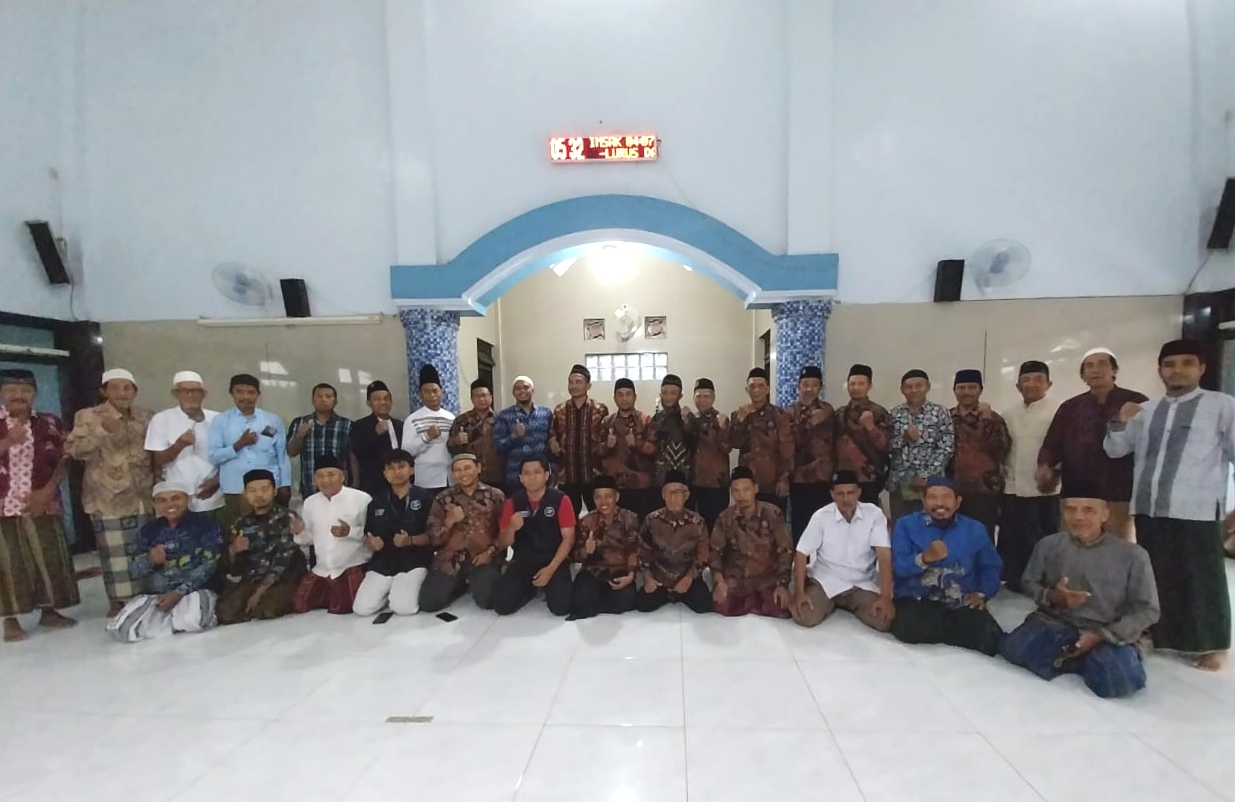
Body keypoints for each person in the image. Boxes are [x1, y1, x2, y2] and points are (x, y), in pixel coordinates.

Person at [1104, 338, 1235, 671]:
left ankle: (1212, 643)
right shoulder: (1147, 410)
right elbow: (1115, 450)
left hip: (1197, 508)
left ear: (1202, 367)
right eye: (1169, 364)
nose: (1177, 370)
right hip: (1149, 506)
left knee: (1202, 577)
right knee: (1157, 575)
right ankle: (1160, 634)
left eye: (1187, 363)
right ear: (1160, 370)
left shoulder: (1221, 405)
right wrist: (1120, 420)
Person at [1000, 480, 1159, 698]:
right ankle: (1081, 655)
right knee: (1014, 650)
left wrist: (1102, 635)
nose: (1078, 517)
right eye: (1070, 509)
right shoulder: (1048, 545)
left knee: (1119, 681)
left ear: (1105, 514)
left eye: (1088, 510)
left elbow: (1149, 610)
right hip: (1059, 622)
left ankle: (1079, 654)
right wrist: (1054, 596)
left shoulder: (1133, 555)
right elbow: (1028, 582)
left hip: (1107, 630)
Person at [66, 367, 154, 617]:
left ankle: (143, 598)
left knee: (143, 548)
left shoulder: (145, 416)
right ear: (104, 391)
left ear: (134, 391)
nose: (122, 393)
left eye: (127, 388)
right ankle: (118, 602)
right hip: (107, 496)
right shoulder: (88, 416)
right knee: (115, 553)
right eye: (115, 388)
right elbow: (75, 451)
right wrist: (102, 430)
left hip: (142, 494)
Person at [0, 369, 78, 642]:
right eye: (11, 390)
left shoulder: (49, 422)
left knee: (49, 557)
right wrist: (8, 442)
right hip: (2, 505)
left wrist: (47, 491)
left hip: (44, 502)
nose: (18, 396)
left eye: (25, 391)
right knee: (8, 563)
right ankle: (10, 619)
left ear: (34, 394)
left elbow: (66, 458)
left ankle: (49, 611)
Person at [1038, 347, 1148, 542]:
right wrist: (1045, 467)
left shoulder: (1135, 402)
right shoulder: (1070, 407)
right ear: (1083, 375)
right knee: (1074, 550)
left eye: (1102, 364)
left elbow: (1148, 446)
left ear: (1114, 370)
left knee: (1116, 550)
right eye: (1089, 366)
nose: (1095, 370)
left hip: (1119, 496)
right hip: (1076, 495)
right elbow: (1052, 444)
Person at [889, 477, 1003, 655]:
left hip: (960, 600)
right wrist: (924, 558)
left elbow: (991, 566)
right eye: (933, 497)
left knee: (990, 638)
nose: (939, 503)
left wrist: (981, 593)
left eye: (946, 497)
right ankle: (955, 629)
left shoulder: (975, 529)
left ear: (958, 502)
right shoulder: (906, 525)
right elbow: (897, 567)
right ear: (923, 501)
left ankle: (951, 626)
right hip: (918, 599)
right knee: (909, 628)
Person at [108, 483, 222, 642]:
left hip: (196, 590)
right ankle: (169, 621)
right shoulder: (149, 530)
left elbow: (210, 565)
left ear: (188, 499)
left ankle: (162, 622)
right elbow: (135, 570)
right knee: (124, 630)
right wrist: (150, 560)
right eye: (162, 500)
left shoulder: (205, 525)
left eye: (176, 498)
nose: (170, 504)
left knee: (193, 620)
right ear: (154, 504)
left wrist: (178, 593)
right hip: (158, 594)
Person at [790, 470, 894, 631]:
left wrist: (886, 597)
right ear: (832, 494)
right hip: (826, 581)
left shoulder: (874, 514)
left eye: (850, 493)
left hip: (861, 583)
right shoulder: (821, 516)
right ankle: (827, 602)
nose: (846, 499)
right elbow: (801, 553)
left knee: (884, 620)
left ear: (859, 492)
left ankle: (848, 604)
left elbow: (884, 554)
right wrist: (799, 593)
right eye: (840, 494)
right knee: (804, 615)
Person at [1000, 360, 1061, 592]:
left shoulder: (1058, 411)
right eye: (1026, 380)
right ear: (1018, 385)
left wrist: (1055, 471)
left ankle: (1044, 584)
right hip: (1013, 486)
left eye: (1038, 379)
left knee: (1043, 538)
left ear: (1049, 384)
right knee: (1015, 537)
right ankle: (1016, 581)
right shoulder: (1009, 413)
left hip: (1045, 488)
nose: (1031, 384)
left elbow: (1065, 446)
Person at [216, 469, 306, 624]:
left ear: (274, 491)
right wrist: (233, 551)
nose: (259, 495)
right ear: (245, 494)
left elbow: (284, 559)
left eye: (264, 489)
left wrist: (259, 592)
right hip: (253, 578)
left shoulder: (287, 517)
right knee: (225, 613)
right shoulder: (241, 523)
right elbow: (234, 569)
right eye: (252, 491)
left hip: (284, 578)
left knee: (266, 610)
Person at [418, 453, 506, 612]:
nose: (463, 473)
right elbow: (434, 539)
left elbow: (505, 532)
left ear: (478, 468)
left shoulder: (495, 495)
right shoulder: (442, 498)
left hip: (482, 557)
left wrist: (490, 553)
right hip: (451, 559)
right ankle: (459, 584)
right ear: (452, 473)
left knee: (488, 600)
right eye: (458, 470)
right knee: (429, 603)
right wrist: (449, 521)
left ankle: (476, 580)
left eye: (467, 468)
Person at [353, 450, 435, 616]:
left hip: (414, 561)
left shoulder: (425, 497)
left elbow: (434, 536)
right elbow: (368, 534)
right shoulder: (376, 501)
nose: (396, 472)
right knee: (361, 609)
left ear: (411, 470)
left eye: (401, 466)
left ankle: (399, 590)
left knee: (404, 608)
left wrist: (410, 540)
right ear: (384, 473)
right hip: (383, 561)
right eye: (390, 468)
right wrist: (372, 543)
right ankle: (389, 591)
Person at [491, 458, 576, 616]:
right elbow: (503, 543)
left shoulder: (561, 500)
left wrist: (550, 570)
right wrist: (511, 528)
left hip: (554, 559)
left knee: (561, 607)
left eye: (537, 472)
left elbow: (568, 539)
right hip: (523, 560)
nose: (532, 477)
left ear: (546, 475)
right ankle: (530, 589)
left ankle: (547, 583)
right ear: (520, 478)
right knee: (502, 606)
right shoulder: (513, 503)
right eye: (527, 473)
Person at [208, 374, 292, 531]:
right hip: (236, 488)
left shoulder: (272, 420)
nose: (246, 397)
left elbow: (282, 455)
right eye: (240, 392)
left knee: (274, 532)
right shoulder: (221, 421)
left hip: (268, 489)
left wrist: (285, 484)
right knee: (240, 533)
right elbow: (214, 456)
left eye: (251, 392)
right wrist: (239, 444)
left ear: (258, 394)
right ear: (231, 393)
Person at [290, 454, 372, 614]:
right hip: (322, 568)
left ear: (342, 477)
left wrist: (349, 532)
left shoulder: (361, 499)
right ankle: (331, 593)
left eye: (331, 475)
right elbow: (310, 539)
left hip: (351, 565)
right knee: (300, 605)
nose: (326, 480)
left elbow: (371, 534)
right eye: (320, 476)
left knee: (342, 608)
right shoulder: (310, 503)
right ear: (314, 480)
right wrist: (300, 532)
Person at [709, 466, 794, 617]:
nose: (741, 495)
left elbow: (785, 550)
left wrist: (782, 585)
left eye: (746, 490)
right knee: (722, 605)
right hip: (736, 580)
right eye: (736, 491)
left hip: (767, 579)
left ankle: (751, 603)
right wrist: (719, 581)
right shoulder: (725, 518)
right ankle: (752, 603)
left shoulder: (773, 514)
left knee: (779, 606)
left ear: (755, 488)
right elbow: (715, 552)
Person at [145, 370, 223, 521]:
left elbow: (231, 456)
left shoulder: (218, 419)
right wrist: (180, 444)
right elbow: (157, 461)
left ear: (204, 394)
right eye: (184, 391)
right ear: (175, 394)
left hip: (213, 496)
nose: (190, 395)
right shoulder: (161, 419)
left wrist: (218, 480)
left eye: (195, 391)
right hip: (175, 500)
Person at [636, 470, 713, 614]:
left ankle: (679, 593)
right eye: (669, 493)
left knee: (704, 605)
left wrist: (689, 577)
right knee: (642, 604)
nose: (673, 497)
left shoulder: (698, 522)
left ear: (686, 495)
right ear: (663, 495)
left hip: (687, 576)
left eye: (678, 493)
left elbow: (703, 556)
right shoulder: (651, 520)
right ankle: (669, 594)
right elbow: (642, 551)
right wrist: (648, 577)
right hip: (660, 577)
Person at [949, 369, 1011, 540]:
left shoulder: (993, 418)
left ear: (980, 390)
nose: (966, 392)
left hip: (984, 490)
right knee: (953, 537)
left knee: (981, 536)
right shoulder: (946, 417)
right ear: (954, 390)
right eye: (961, 388)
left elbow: (1002, 449)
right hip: (951, 489)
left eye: (972, 387)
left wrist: (986, 421)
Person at [568, 474, 640, 620]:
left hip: (619, 570)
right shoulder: (587, 521)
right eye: (598, 497)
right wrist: (586, 550)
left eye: (608, 496)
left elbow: (634, 551)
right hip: (594, 572)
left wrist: (630, 576)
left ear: (616, 497)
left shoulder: (630, 519)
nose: (603, 502)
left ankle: (595, 604)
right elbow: (574, 556)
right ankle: (594, 602)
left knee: (627, 598)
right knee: (581, 593)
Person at [887, 369, 954, 523]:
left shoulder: (940, 413)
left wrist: (925, 476)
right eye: (909, 387)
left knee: (931, 527)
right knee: (901, 526)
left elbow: (946, 448)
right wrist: (903, 439)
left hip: (931, 485)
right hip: (900, 483)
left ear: (927, 387)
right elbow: (886, 447)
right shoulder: (894, 414)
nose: (914, 390)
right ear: (902, 390)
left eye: (919, 385)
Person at [728, 367, 793, 512]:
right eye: (752, 386)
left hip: (772, 483)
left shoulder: (780, 415)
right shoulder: (738, 414)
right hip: (747, 485)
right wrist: (740, 421)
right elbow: (734, 443)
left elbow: (787, 450)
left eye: (760, 386)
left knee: (773, 521)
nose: (756, 390)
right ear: (747, 390)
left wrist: (783, 478)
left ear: (767, 389)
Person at [785, 365, 836, 545]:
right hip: (799, 479)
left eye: (814, 385)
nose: (809, 389)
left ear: (820, 388)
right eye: (805, 384)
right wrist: (808, 424)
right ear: (798, 386)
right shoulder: (790, 412)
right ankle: (801, 561)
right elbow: (788, 444)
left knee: (825, 525)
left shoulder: (829, 411)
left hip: (824, 478)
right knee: (801, 525)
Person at [549, 364, 609, 515]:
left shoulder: (600, 409)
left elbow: (605, 439)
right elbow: (553, 435)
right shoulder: (560, 410)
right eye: (571, 382)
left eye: (578, 382)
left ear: (588, 385)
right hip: (567, 475)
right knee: (568, 518)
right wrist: (553, 444)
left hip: (593, 474)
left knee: (598, 516)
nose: (574, 386)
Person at [598, 378, 659, 520]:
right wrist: (608, 446)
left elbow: (654, 449)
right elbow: (597, 452)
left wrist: (637, 444)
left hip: (642, 486)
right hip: (615, 487)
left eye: (628, 394)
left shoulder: (646, 419)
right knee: (618, 526)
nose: (624, 398)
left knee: (642, 525)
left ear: (634, 397)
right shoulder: (607, 422)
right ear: (615, 398)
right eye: (620, 394)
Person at [834, 364, 891, 505]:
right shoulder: (840, 413)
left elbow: (885, 446)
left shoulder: (878, 412)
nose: (856, 388)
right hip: (843, 477)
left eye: (861, 384)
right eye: (852, 384)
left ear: (869, 386)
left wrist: (871, 427)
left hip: (868, 477)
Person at [287, 382, 353, 500]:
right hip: (310, 484)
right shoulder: (300, 422)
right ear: (312, 400)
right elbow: (291, 452)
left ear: (335, 401)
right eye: (319, 396)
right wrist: (299, 436)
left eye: (328, 396)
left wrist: (355, 483)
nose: (324, 400)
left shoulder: (347, 425)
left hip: (339, 486)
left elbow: (353, 457)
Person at [493, 375, 552, 495]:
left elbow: (552, 442)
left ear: (532, 390)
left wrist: (553, 468)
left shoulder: (546, 413)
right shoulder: (504, 416)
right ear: (513, 392)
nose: (522, 391)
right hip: (515, 477)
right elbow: (498, 446)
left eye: (526, 387)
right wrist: (513, 436)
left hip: (541, 476)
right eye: (518, 388)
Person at [403, 364, 455, 496]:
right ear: (421, 394)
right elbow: (406, 452)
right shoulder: (412, 420)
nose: (432, 395)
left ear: (441, 392)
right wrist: (427, 436)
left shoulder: (450, 417)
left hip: (450, 478)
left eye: (435, 391)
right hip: (426, 479)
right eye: (427, 392)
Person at [348, 380, 405, 497]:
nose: (383, 402)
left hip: (400, 480)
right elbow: (357, 452)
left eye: (386, 399)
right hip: (375, 483)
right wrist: (375, 434)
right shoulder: (360, 425)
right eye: (377, 399)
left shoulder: (400, 425)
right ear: (369, 403)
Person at [688, 378, 731, 530]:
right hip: (693, 482)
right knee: (694, 527)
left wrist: (722, 430)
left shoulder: (721, 419)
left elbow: (728, 448)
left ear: (713, 398)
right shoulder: (690, 420)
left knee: (715, 527)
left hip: (715, 485)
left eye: (706, 396)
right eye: (698, 396)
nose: (702, 400)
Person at [449, 378, 504, 488]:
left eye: (484, 395)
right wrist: (456, 441)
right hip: (470, 478)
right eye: (477, 396)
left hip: (498, 476)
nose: (481, 399)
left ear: (491, 397)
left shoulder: (501, 420)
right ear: (471, 398)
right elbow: (450, 448)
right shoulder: (461, 421)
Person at [652, 374, 696, 489]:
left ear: (680, 395)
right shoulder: (656, 418)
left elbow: (695, 445)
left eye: (673, 393)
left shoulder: (688, 417)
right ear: (660, 394)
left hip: (685, 478)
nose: (668, 397)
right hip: (660, 479)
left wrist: (688, 424)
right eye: (665, 393)